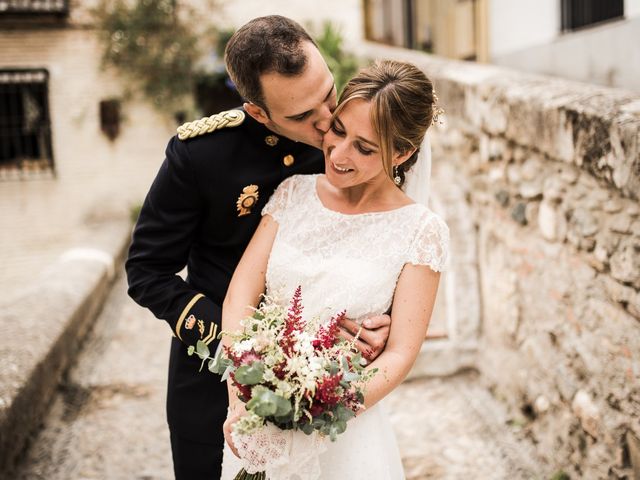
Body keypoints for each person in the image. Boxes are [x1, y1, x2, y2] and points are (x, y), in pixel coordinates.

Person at [125, 16, 391, 480]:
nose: (327, 121)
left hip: (322, 377)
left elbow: (385, 234)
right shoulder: (199, 155)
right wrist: (248, 346)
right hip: (211, 378)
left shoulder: (355, 141)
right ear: (258, 113)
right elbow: (147, 272)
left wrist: (381, 318)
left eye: (328, 93)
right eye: (303, 117)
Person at [220, 60, 449, 479]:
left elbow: (399, 352)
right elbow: (239, 297)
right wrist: (244, 395)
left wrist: (316, 409)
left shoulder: (422, 231)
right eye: (339, 130)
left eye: (364, 148)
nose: (339, 154)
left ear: (402, 152)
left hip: (344, 433)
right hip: (256, 417)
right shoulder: (292, 194)